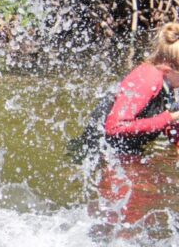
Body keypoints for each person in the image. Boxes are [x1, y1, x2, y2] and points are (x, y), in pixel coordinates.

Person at [71, 22, 179, 158]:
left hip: (126, 150)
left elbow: (166, 121)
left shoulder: (167, 83)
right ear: (169, 69)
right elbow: (114, 128)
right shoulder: (147, 78)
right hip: (101, 152)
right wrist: (171, 117)